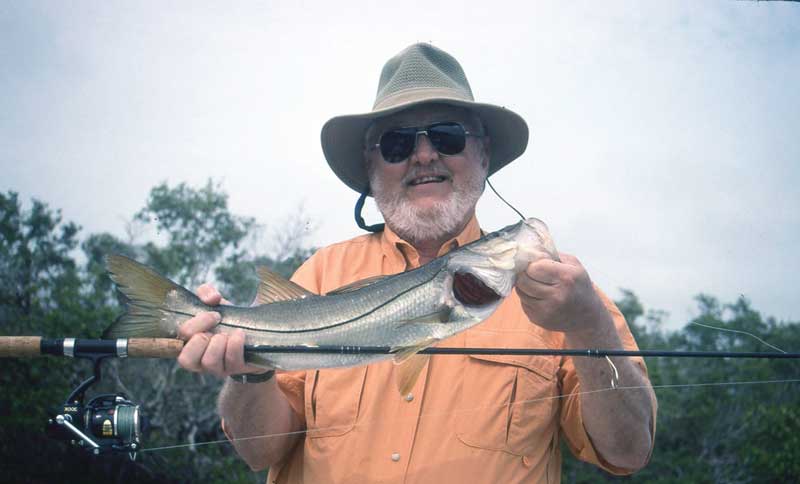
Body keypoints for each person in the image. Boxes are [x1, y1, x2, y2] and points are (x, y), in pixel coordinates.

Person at [176, 43, 657, 483]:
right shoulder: (319, 274)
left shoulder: (567, 303)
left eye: (447, 137)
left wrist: (590, 326)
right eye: (397, 144)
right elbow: (261, 452)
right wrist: (247, 372)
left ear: (484, 152)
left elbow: (628, 452)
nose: (424, 155)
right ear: (371, 166)